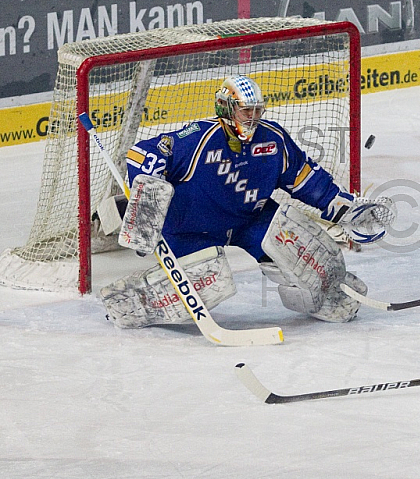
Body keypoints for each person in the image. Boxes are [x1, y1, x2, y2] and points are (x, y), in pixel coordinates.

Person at [99, 75, 394, 328]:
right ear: (226, 109)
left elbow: (306, 179)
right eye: (245, 111)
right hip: (190, 228)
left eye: (256, 111)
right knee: (210, 282)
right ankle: (131, 302)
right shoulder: (197, 138)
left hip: (250, 220)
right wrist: (147, 197)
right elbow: (141, 153)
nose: (252, 118)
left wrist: (344, 207)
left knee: (300, 251)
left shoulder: (273, 139)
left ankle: (327, 294)